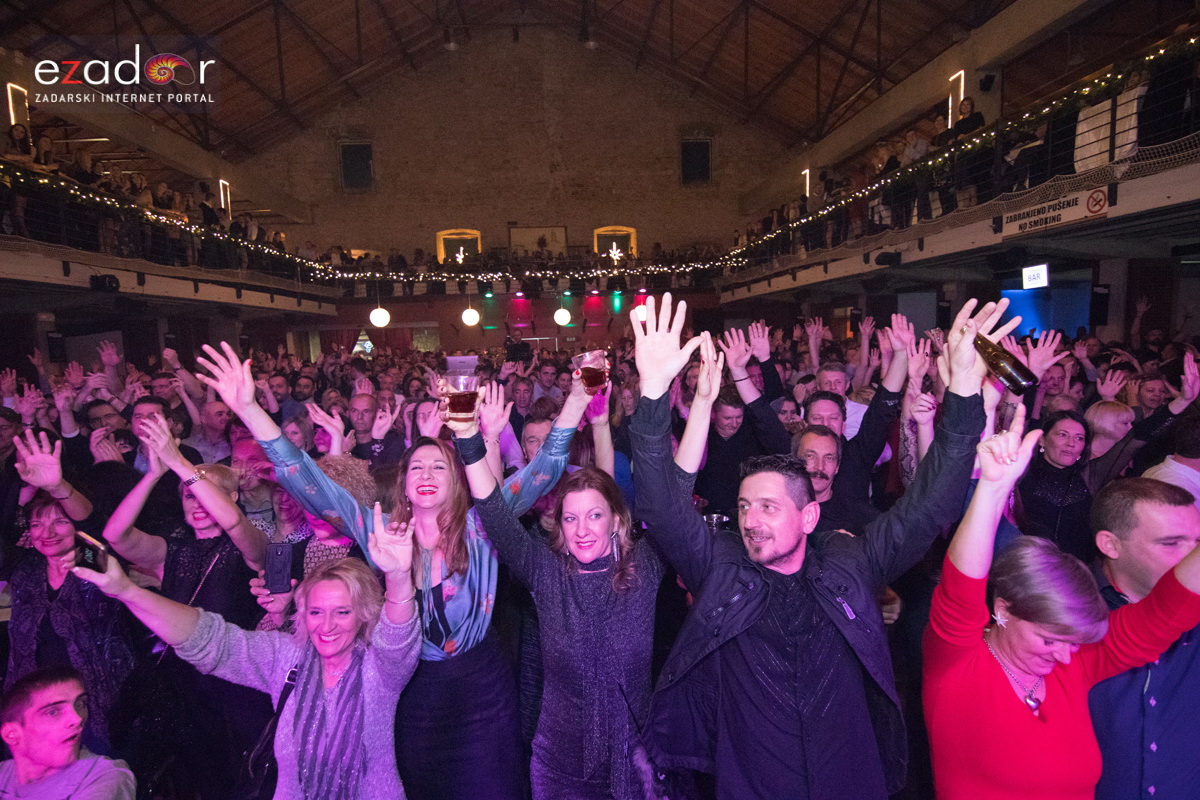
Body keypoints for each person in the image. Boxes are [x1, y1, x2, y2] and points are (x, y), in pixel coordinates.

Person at [630, 293, 991, 799]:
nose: (750, 520)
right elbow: (661, 506)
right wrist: (652, 392)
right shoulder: (722, 568)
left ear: (809, 517)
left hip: (849, 779)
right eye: (744, 506)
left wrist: (966, 394)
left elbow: (930, 507)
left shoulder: (849, 563)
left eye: (768, 507)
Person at [194, 342, 570, 800]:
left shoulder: (483, 524)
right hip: (410, 693)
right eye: (417, 467)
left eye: (439, 466)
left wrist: (579, 398)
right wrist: (250, 409)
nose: (426, 473)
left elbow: (546, 469)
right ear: (405, 484)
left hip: (481, 695)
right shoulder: (382, 532)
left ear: (457, 480)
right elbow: (306, 479)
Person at [923, 411, 1200, 800]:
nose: (1066, 655)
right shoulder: (958, 667)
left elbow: (1166, 612)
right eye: (1051, 639)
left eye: (1073, 641)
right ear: (1004, 610)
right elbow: (960, 589)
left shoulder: (1074, 664)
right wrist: (991, 489)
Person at [75, 502, 420, 798]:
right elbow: (208, 639)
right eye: (316, 612)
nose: (326, 625)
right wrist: (127, 591)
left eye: (342, 612)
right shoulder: (287, 657)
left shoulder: (380, 667)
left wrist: (399, 575)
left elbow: (399, 635)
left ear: (364, 614)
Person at [452, 376, 663, 800]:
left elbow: (673, 494)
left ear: (616, 520)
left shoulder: (645, 568)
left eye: (594, 516)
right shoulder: (546, 573)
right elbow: (494, 514)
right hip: (559, 770)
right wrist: (469, 437)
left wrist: (665, 392)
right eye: (570, 518)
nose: (582, 530)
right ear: (559, 526)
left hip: (634, 765)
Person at [3, 432, 141, 760]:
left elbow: (91, 524)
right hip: (36, 704)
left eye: (60, 522)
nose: (47, 533)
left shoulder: (91, 560)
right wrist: (22, 498)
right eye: (37, 525)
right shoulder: (27, 568)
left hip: (99, 704)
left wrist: (58, 487)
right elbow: (5, 535)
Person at [0, 666, 135, 799]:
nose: (78, 719)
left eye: (80, 704)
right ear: (12, 734)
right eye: (53, 712)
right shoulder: (3, 773)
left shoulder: (103, 775)